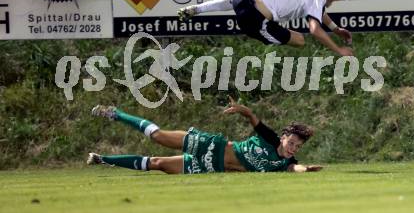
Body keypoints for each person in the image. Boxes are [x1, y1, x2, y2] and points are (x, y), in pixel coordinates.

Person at [87, 98, 322, 174]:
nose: (292, 148)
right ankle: (116, 114)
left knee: (157, 164)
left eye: (297, 147)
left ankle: (102, 159)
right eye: (291, 142)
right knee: (159, 137)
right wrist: (241, 109)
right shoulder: (270, 137)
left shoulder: (286, 163)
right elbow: (252, 117)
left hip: (212, 167)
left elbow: (295, 169)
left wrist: (307, 168)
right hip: (212, 147)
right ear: (283, 138)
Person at [178, 0, 353, 56]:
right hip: (255, 19)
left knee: (238, 1)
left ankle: (198, 8)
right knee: (300, 40)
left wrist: (336, 29)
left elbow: (319, 11)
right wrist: (338, 50)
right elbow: (315, 29)